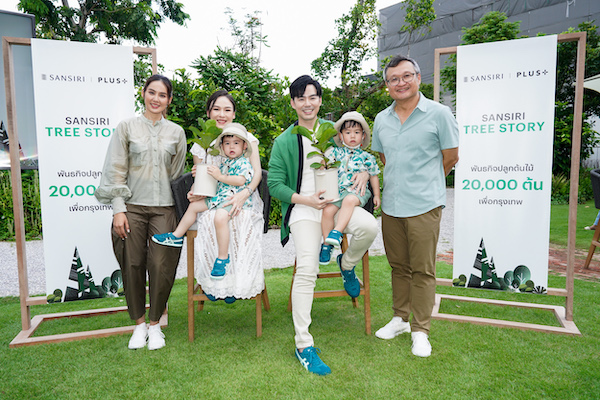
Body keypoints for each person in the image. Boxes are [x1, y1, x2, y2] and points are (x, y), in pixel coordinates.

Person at [268, 75, 378, 375]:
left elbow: (360, 156)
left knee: (369, 227)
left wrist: (365, 175)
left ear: (319, 100)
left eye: (313, 97)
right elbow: (274, 184)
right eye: (301, 98)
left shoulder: (333, 133)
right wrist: (304, 200)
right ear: (293, 103)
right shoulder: (285, 141)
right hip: (304, 209)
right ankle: (303, 344)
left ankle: (347, 263)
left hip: (337, 204)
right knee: (307, 267)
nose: (308, 103)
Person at [371, 55, 459, 358]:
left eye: (406, 76)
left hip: (424, 205)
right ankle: (400, 319)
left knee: (423, 270)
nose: (401, 83)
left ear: (418, 78)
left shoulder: (439, 114)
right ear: (387, 85)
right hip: (392, 206)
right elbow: (384, 158)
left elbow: (451, 156)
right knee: (399, 266)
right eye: (393, 79)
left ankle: (421, 331)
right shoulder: (381, 119)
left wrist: (428, 181)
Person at [95, 74, 186, 351]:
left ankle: (155, 324)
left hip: (165, 209)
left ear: (169, 100)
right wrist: (118, 209)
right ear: (143, 94)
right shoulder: (126, 128)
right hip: (131, 207)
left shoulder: (176, 133)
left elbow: (177, 175)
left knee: (161, 265)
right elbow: (115, 169)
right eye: (152, 92)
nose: (156, 99)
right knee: (132, 263)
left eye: (162, 95)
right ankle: (138, 324)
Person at [152, 123, 254, 281]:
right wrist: (201, 174)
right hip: (219, 197)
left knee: (220, 217)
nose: (231, 147)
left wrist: (220, 176)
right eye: (227, 143)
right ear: (222, 147)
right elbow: (215, 181)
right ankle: (177, 235)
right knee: (194, 206)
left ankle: (222, 258)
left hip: (232, 199)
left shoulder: (243, 163)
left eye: (236, 143)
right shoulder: (224, 163)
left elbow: (240, 180)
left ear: (244, 146)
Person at [189, 91, 265, 302]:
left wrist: (245, 193)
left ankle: (236, 285)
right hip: (215, 199)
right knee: (209, 221)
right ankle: (215, 285)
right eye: (216, 109)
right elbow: (203, 182)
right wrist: (195, 191)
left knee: (239, 220)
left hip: (245, 196)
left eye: (227, 110)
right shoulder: (201, 144)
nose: (221, 114)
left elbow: (257, 173)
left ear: (233, 114)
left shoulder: (247, 139)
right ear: (208, 112)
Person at [319, 111, 381, 265]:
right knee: (327, 211)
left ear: (363, 136)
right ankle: (327, 244)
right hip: (338, 192)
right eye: (348, 132)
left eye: (357, 132)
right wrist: (322, 164)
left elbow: (374, 176)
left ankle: (337, 232)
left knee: (349, 200)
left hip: (357, 192)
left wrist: (377, 195)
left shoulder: (367, 157)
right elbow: (324, 164)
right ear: (341, 136)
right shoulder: (335, 153)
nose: (352, 136)